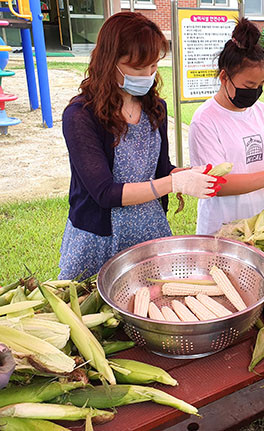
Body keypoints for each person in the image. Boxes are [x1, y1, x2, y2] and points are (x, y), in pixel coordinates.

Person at [59, 12, 222, 279]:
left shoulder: (155, 108)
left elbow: (161, 170)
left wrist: (187, 174)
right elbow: (104, 193)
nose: (147, 76)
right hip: (99, 238)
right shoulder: (80, 116)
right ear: (109, 61)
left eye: (154, 67)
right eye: (137, 68)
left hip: (149, 229)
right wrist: (173, 184)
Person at [188, 18, 264, 235]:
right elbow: (216, 184)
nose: (255, 92)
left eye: (260, 85)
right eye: (249, 86)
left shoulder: (263, 112)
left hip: (262, 225)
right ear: (224, 77)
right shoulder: (205, 120)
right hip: (222, 229)